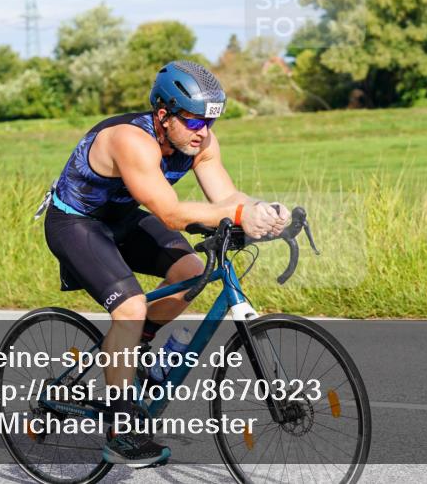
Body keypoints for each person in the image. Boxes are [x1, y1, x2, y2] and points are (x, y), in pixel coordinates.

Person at [41, 60, 288, 467]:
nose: (203, 133)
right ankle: (122, 429)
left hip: (121, 220)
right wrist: (242, 217)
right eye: (193, 123)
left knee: (192, 272)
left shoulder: (201, 143)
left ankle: (132, 347)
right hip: (76, 223)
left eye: (209, 122)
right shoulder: (130, 141)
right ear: (163, 115)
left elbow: (225, 198)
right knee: (131, 307)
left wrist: (266, 212)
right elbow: (171, 214)